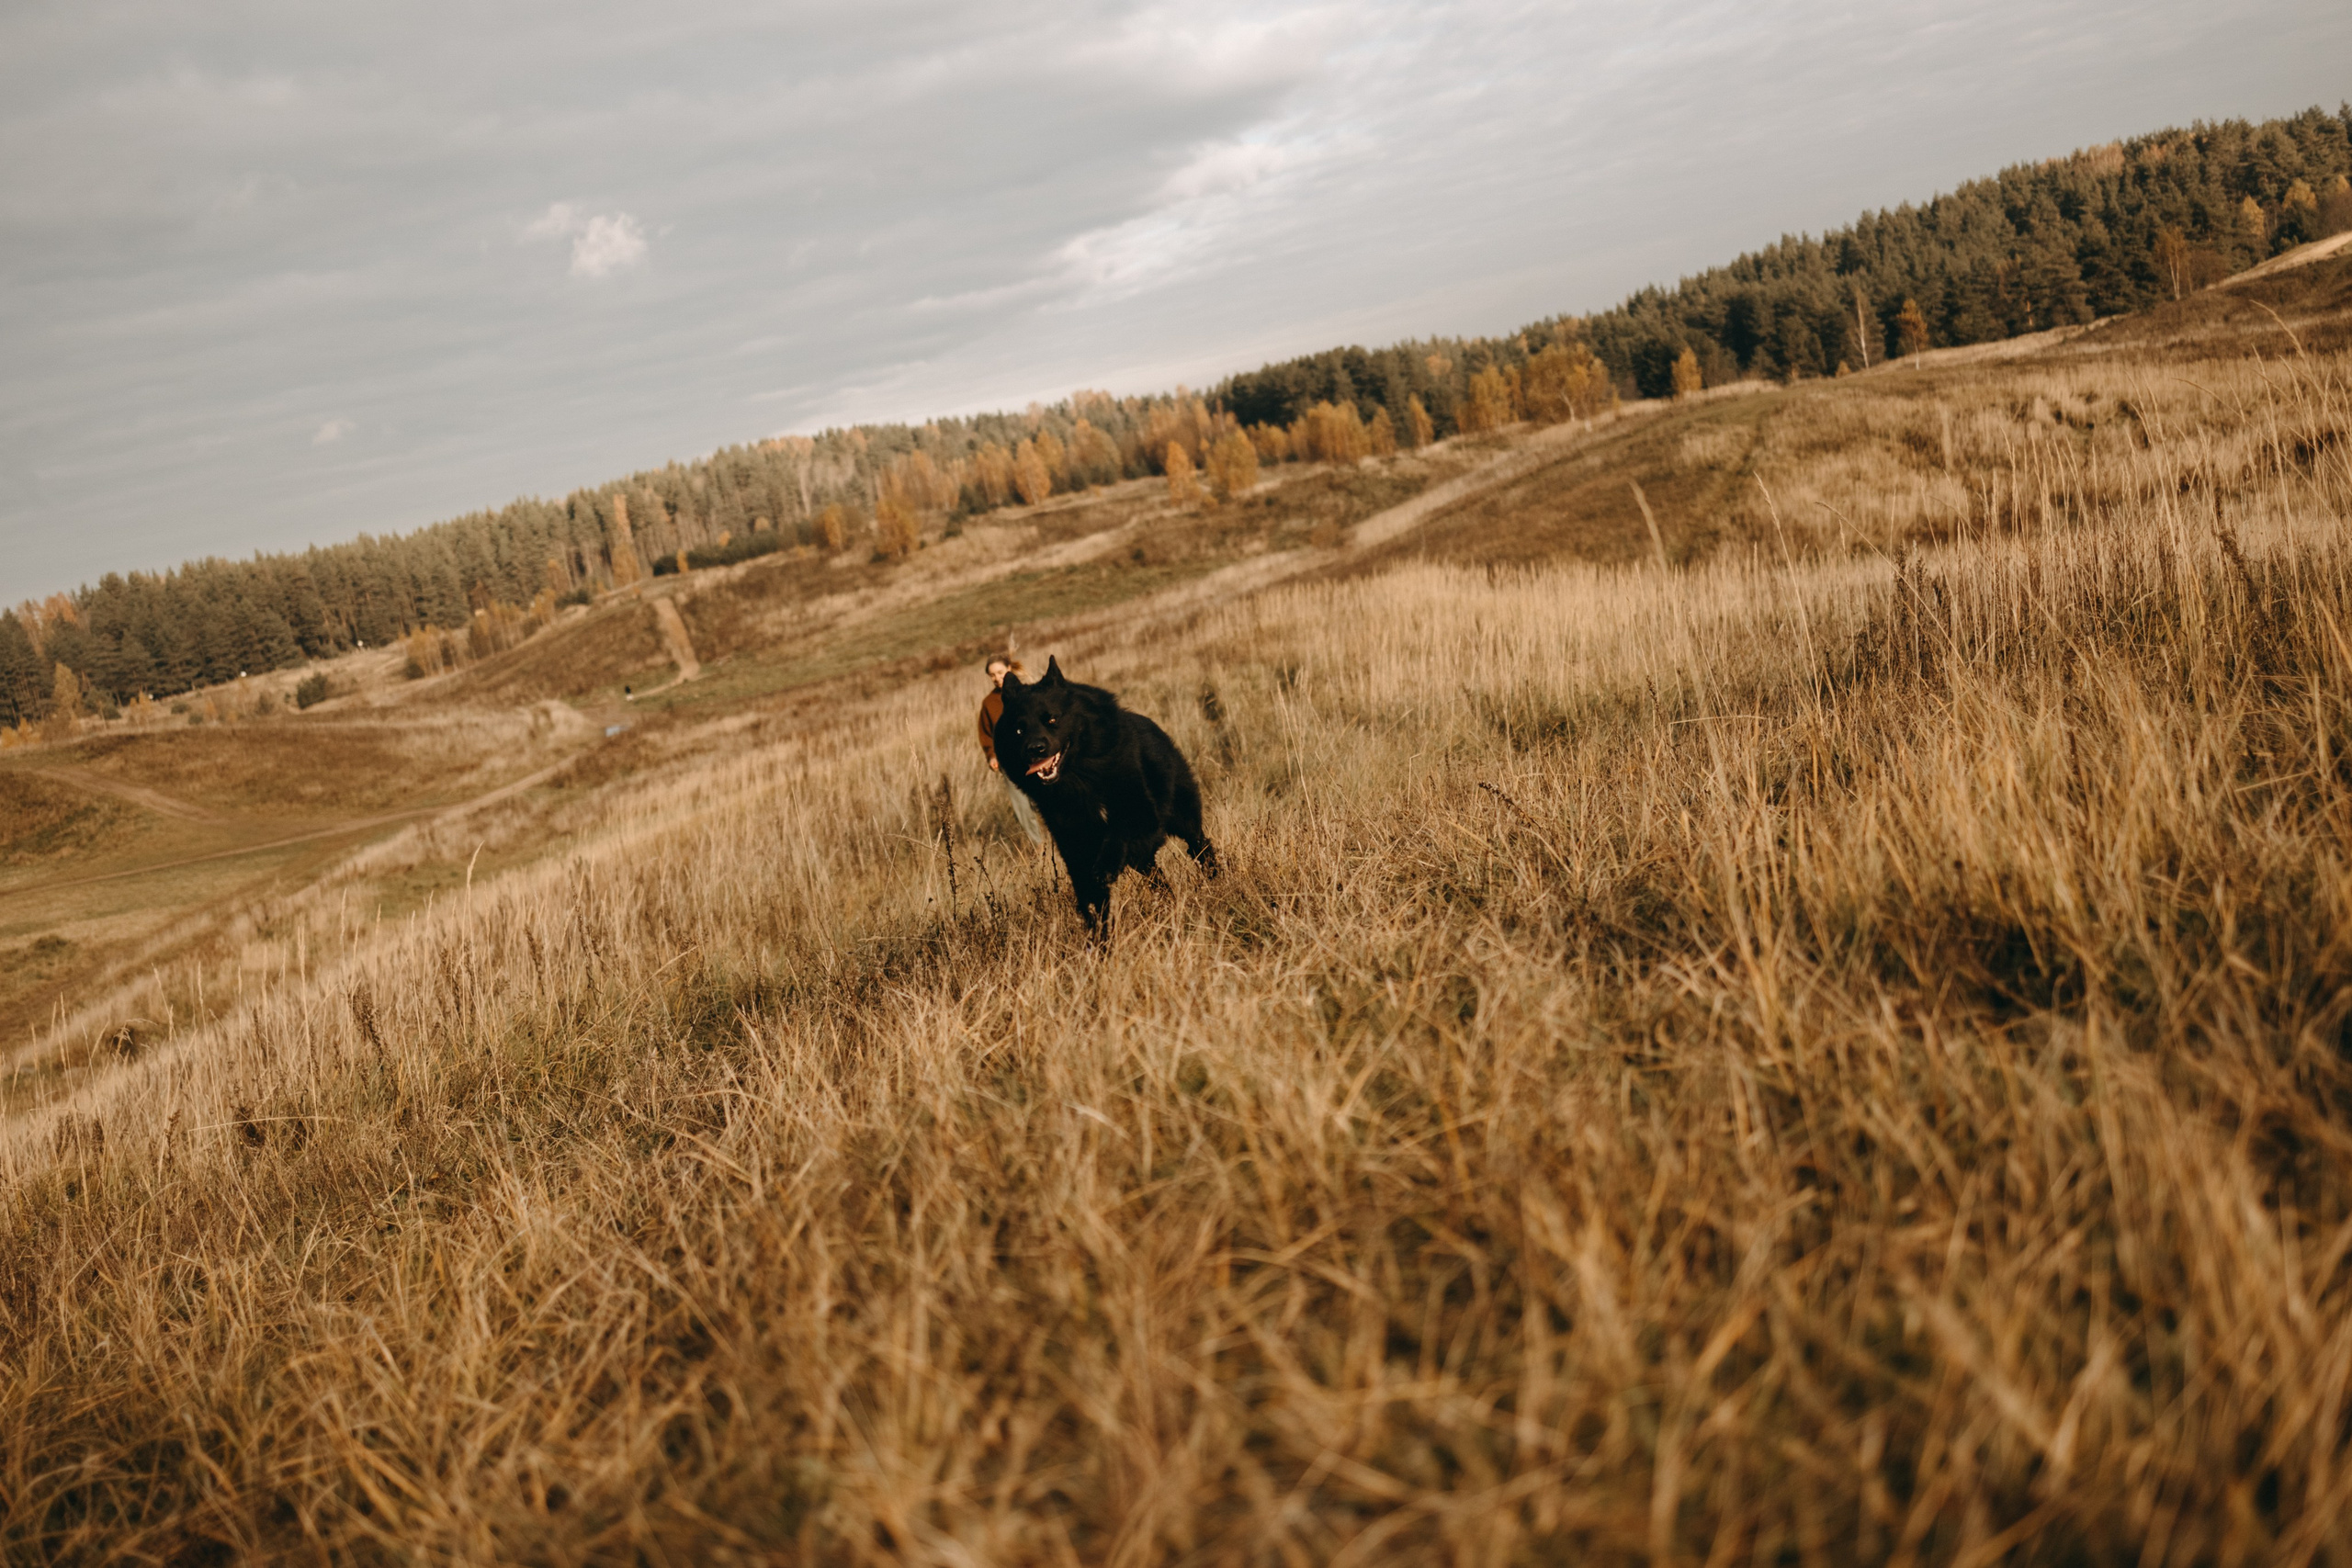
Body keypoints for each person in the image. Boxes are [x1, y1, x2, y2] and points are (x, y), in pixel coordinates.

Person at [978, 655, 1046, 844]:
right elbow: (986, 733)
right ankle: (1038, 846)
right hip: (1009, 762)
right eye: (992, 675)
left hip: (1036, 757)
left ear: (1009, 668)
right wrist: (991, 755)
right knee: (1022, 808)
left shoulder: (1030, 693)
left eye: (1000, 672)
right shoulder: (989, 703)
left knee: (1049, 799)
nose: (997, 678)